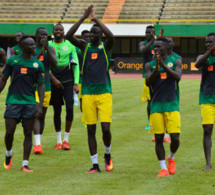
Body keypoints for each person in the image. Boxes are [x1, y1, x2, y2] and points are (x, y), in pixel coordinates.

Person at [66, 5, 114, 173]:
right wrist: (83, 17)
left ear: (100, 34)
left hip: (104, 93)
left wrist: (95, 20)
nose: (91, 35)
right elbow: (68, 35)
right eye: (90, 33)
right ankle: (95, 165)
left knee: (106, 129)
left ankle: (107, 154)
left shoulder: (106, 48)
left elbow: (111, 35)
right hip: (87, 94)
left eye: (95, 33)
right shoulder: (84, 47)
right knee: (91, 129)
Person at [0, 36, 45, 172]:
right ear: (23, 47)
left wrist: (39, 105)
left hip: (29, 102)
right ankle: (9, 153)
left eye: (34, 44)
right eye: (31, 45)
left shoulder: (38, 64)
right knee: (9, 132)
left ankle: (25, 164)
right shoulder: (12, 61)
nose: (34, 47)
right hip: (13, 101)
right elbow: (4, 79)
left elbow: (41, 85)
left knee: (28, 133)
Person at [145, 38, 182, 177]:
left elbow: (177, 77)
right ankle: (163, 168)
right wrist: (157, 68)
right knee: (159, 138)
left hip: (172, 104)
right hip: (156, 106)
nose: (156, 49)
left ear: (166, 48)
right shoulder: (149, 65)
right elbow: (148, 82)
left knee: (175, 138)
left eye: (159, 47)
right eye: (155, 47)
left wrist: (164, 66)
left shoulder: (176, 61)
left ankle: (171, 157)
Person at [49, 23, 79, 150]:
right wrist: (53, 79)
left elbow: (75, 65)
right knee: (57, 110)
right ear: (53, 31)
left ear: (63, 31)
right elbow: (45, 65)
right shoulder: (49, 45)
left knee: (70, 108)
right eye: (56, 29)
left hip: (68, 81)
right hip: (53, 81)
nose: (58, 31)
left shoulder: (70, 45)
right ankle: (58, 141)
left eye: (61, 29)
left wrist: (76, 83)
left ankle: (66, 140)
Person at [33, 27, 57, 154]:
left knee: (42, 115)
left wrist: (47, 49)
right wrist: (41, 52)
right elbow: (32, 62)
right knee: (36, 113)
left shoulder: (50, 49)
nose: (43, 37)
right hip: (33, 86)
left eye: (45, 35)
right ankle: (37, 145)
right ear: (36, 35)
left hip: (46, 86)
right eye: (41, 35)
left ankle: (39, 142)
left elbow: (55, 64)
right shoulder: (31, 48)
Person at [195, 33, 215, 171]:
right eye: (207, 42)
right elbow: (197, 64)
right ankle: (208, 163)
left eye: (211, 42)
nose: (208, 44)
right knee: (207, 130)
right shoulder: (203, 57)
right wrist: (210, 51)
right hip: (207, 98)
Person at [75, 30, 90, 112]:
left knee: (89, 99)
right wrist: (78, 71)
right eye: (85, 37)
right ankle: (85, 121)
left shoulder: (92, 48)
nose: (87, 38)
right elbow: (73, 62)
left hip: (90, 78)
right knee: (82, 100)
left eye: (89, 37)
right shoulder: (76, 49)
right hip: (80, 79)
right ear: (82, 38)